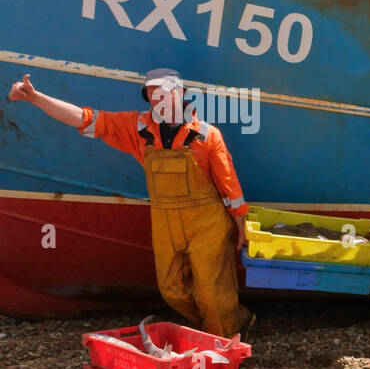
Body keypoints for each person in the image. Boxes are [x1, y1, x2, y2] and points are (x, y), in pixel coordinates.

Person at [7, 69, 252, 338]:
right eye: (152, 94)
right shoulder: (136, 129)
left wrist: (240, 223)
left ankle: (224, 344)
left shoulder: (207, 135)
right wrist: (36, 98)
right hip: (165, 222)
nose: (158, 99)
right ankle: (233, 322)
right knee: (173, 290)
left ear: (181, 93)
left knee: (213, 291)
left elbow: (229, 183)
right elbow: (82, 118)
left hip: (207, 222)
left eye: (164, 92)